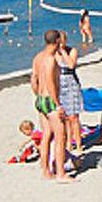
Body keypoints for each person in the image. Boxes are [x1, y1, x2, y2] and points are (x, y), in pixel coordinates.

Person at [29, 31, 69, 180]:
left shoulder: (38, 57)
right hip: (50, 101)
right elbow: (51, 83)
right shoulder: (50, 60)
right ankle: (60, 173)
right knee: (60, 136)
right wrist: (57, 104)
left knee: (46, 135)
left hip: (40, 99)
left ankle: (45, 170)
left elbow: (33, 79)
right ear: (57, 40)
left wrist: (37, 94)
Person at [56, 37, 86, 176]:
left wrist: (63, 51)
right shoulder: (53, 53)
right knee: (65, 117)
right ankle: (68, 143)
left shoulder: (71, 51)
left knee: (74, 116)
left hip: (71, 82)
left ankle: (79, 144)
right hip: (60, 85)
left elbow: (71, 65)